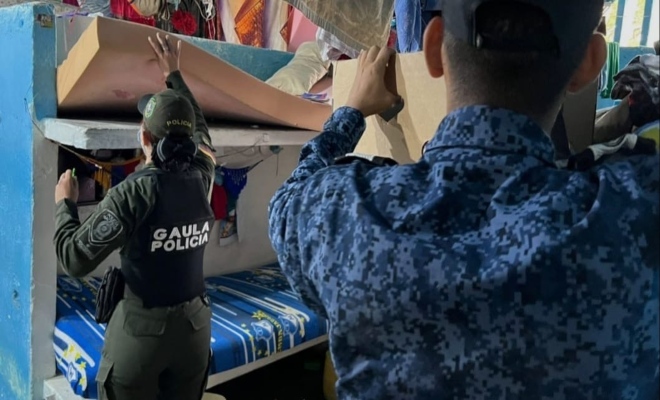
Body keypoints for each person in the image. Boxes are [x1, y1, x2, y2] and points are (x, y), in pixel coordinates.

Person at [268, 1, 659, 399]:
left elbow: (289, 197)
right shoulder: (636, 215)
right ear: (591, 63)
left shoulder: (338, 211)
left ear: (433, 46)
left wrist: (350, 112)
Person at [54, 33, 217, 400]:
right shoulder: (204, 174)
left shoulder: (135, 192)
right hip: (195, 329)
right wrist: (174, 75)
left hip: (143, 334)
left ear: (144, 138)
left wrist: (65, 204)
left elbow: (74, 259)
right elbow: (203, 133)